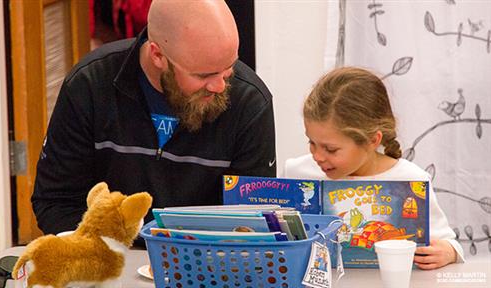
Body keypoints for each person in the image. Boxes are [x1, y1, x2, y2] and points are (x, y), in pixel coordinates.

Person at [32, 0, 276, 240]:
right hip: (107, 259)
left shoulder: (249, 102)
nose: (220, 85)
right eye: (204, 74)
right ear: (158, 55)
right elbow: (56, 199)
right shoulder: (90, 85)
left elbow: (251, 221)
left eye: (228, 68)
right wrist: (101, 255)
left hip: (205, 264)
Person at [284, 67, 464, 270]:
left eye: (331, 149)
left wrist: (449, 252)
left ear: (372, 140)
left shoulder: (411, 179)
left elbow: (450, 243)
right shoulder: (296, 173)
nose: (317, 156)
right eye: (312, 142)